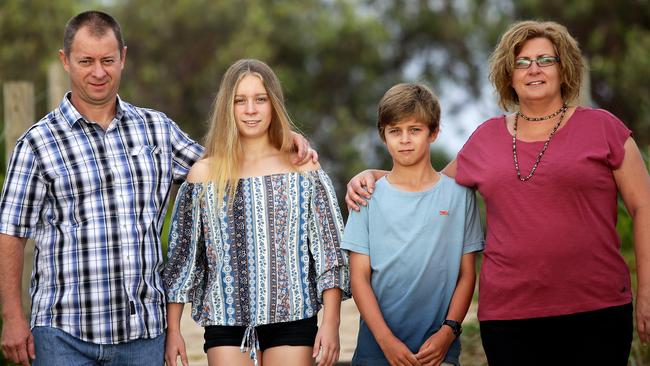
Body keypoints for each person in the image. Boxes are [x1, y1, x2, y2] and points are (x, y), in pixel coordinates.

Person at [0, 11, 315, 366]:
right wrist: (13, 318)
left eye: (108, 60)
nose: (98, 72)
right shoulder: (37, 144)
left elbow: (228, 164)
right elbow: (10, 233)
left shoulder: (157, 130)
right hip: (64, 332)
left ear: (123, 57)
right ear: (65, 61)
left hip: (144, 335)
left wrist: (283, 140)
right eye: (86, 61)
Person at [345, 20, 650, 366]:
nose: (533, 69)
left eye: (545, 60)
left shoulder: (605, 128)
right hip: (509, 317)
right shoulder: (486, 139)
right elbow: (428, 185)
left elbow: (644, 208)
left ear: (564, 68)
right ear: (509, 74)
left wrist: (648, 293)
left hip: (598, 309)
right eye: (522, 62)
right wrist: (372, 175)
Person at [162, 58, 349, 366]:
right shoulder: (204, 175)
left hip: (293, 318)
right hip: (226, 321)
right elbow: (183, 263)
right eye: (240, 101)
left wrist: (331, 325)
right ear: (228, 107)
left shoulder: (302, 169)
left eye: (260, 99)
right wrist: (173, 330)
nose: (251, 110)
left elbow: (329, 253)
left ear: (273, 104)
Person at [341, 83, 484, 366]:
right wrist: (386, 341)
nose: (405, 139)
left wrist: (448, 332)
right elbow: (359, 278)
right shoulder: (366, 196)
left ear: (434, 132)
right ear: (383, 135)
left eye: (414, 130)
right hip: (376, 351)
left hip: (438, 352)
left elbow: (466, 275)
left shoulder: (459, 196)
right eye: (395, 131)